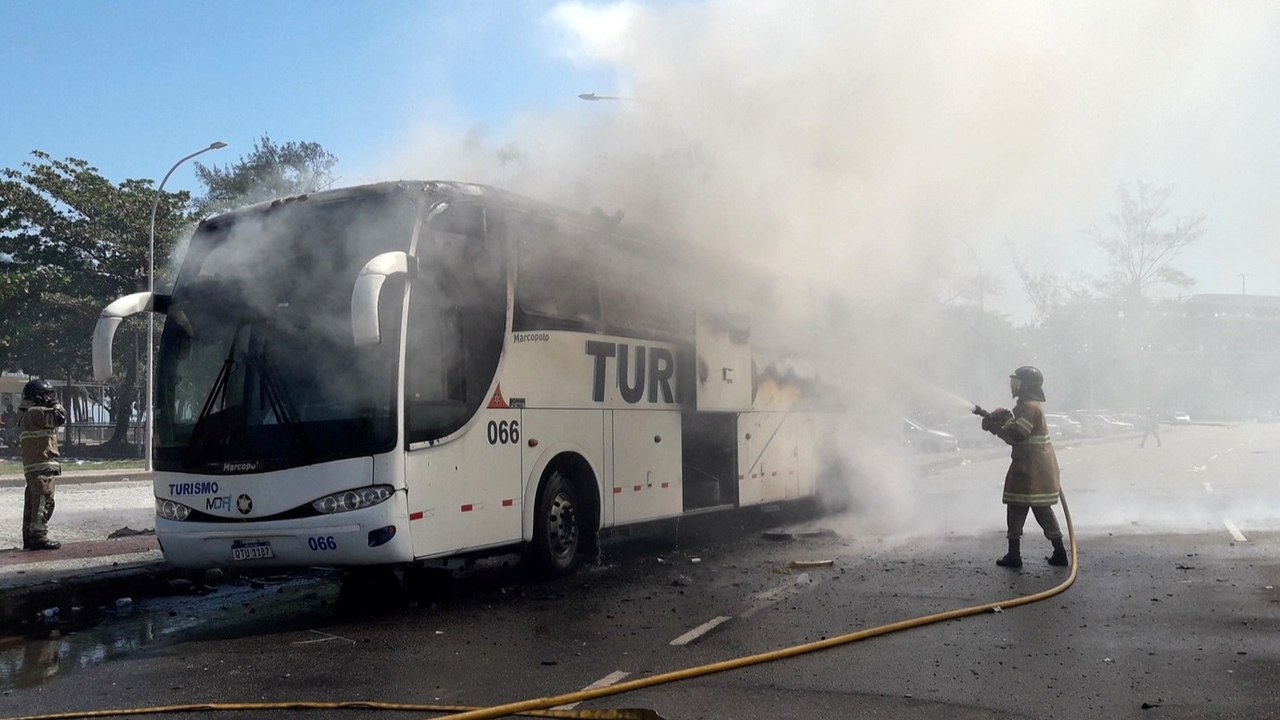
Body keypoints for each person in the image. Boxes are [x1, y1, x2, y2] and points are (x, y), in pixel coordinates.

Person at [980, 366, 1068, 568]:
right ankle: (1044, 552)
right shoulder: (1028, 407)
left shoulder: (1030, 408)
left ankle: (1045, 553)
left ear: (1027, 385)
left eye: (1017, 382)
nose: (1014, 386)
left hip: (1032, 469)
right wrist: (995, 427)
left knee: (1029, 508)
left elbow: (1018, 434)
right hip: (1027, 466)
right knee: (1025, 507)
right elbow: (1013, 437)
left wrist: (1004, 420)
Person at [19, 378, 64, 551]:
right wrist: (57, 405)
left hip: (34, 467)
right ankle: (38, 537)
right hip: (42, 466)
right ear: (37, 397)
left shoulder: (27, 414)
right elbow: (59, 418)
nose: (50, 398)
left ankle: (29, 537)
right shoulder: (36, 412)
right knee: (43, 502)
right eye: (47, 395)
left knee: (32, 503)